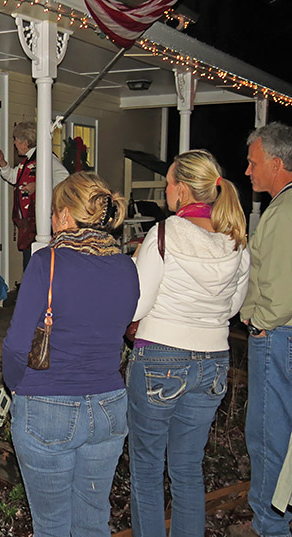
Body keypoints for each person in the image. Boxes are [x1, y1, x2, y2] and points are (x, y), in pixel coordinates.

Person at [2, 172, 139, 537]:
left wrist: (17, 387)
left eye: (52, 212)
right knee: (93, 520)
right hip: (109, 406)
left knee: (52, 526)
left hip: (49, 406)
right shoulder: (127, 267)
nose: (49, 220)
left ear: (65, 216)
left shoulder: (47, 262)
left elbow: (16, 345)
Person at [127, 149, 250, 537]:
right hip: (213, 361)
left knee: (146, 468)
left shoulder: (164, 233)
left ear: (181, 190)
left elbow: (139, 302)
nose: (166, 191)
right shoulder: (235, 240)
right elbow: (233, 305)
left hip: (161, 355)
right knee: (187, 469)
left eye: (168, 184)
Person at [236, 123, 292, 537]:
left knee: (268, 433)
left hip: (278, 336)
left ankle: (269, 525)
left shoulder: (286, 212)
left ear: (277, 163)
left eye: (254, 163)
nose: (248, 171)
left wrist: (259, 322)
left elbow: (282, 289)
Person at [0, 121, 69, 270]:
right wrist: (2, 162)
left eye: (16, 139)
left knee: (33, 261)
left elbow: (64, 177)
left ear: (25, 142)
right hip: (28, 221)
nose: (14, 143)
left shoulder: (45, 157)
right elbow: (14, 177)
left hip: (39, 220)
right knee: (28, 257)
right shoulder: (28, 161)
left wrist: (39, 186)